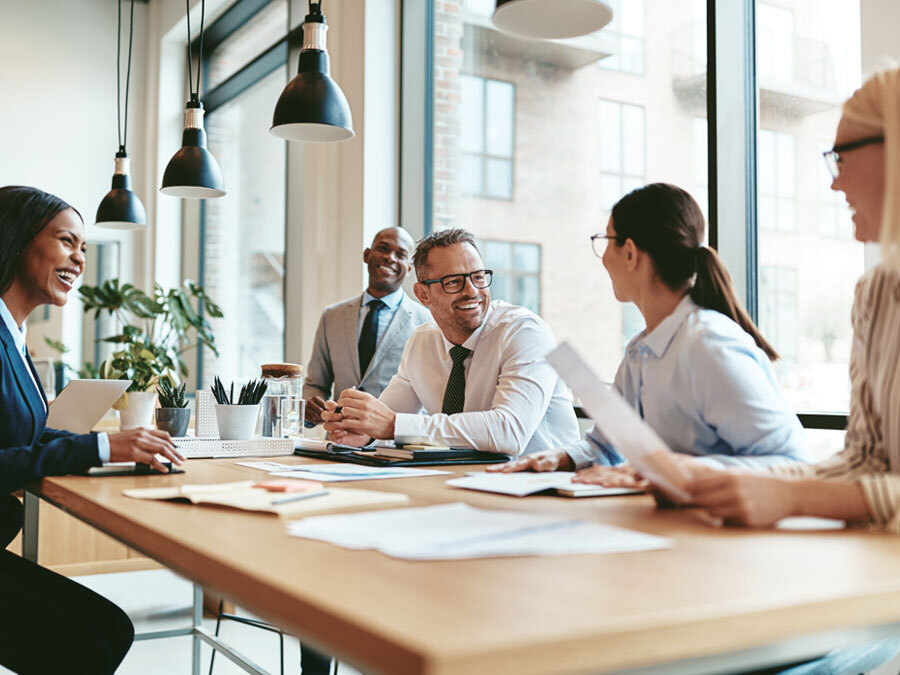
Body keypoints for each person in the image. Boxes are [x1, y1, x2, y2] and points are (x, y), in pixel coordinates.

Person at [494, 183, 809, 482]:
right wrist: (558, 458)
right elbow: (607, 446)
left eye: (605, 241)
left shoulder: (708, 346)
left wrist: (675, 470)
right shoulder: (640, 352)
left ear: (630, 253)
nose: (602, 257)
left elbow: (791, 463)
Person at [0, 185, 184, 674]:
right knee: (89, 649)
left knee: (113, 631)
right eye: (67, 241)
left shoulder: (13, 335)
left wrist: (116, 448)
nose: (80, 259)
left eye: (83, 247)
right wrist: (101, 445)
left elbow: (26, 436)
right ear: (18, 240)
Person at [321, 227, 580, 455]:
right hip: (464, 483)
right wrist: (362, 431)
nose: (472, 291)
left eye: (478, 277)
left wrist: (392, 426)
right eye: (454, 281)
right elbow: (386, 416)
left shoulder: (525, 332)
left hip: (542, 490)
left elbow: (509, 432)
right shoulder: (422, 342)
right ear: (423, 294)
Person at [303, 226, 432, 426]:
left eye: (401, 254)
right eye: (383, 248)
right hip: (338, 440)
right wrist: (310, 404)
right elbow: (315, 384)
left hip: (394, 446)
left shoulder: (427, 322)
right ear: (367, 255)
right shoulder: (332, 316)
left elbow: (431, 397)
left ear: (409, 268)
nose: (390, 258)